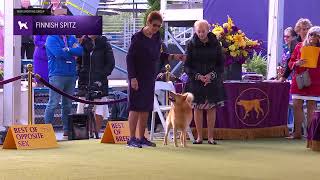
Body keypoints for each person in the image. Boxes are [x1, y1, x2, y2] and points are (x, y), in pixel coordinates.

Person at [126, 11, 185, 148]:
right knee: (135, 107)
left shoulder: (157, 37)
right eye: (154, 25)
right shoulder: (137, 38)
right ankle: (131, 139)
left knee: (146, 107)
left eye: (159, 26)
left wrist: (174, 57)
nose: (156, 28)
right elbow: (129, 58)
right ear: (148, 22)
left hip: (150, 77)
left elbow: (159, 55)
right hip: (137, 77)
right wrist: (132, 78)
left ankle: (141, 138)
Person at [184, 20, 225, 145]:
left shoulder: (216, 44)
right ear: (195, 31)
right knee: (198, 108)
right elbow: (187, 66)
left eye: (203, 31)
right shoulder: (190, 44)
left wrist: (210, 76)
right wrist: (198, 76)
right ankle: (199, 137)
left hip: (212, 81)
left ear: (208, 30)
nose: (201, 34)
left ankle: (211, 137)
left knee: (211, 108)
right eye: (198, 31)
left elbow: (221, 65)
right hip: (196, 82)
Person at [44, 34, 83, 136]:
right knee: (53, 103)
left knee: (67, 105)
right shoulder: (51, 38)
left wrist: (66, 49)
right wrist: (71, 52)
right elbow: (57, 53)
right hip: (57, 74)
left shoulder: (72, 38)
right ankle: (47, 130)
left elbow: (80, 51)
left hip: (71, 75)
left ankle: (67, 130)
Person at [76, 35, 115, 134]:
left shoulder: (105, 45)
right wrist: (80, 71)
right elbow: (78, 61)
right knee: (81, 106)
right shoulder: (82, 44)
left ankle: (95, 132)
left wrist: (102, 75)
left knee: (100, 106)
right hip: (84, 81)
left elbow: (110, 63)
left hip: (100, 82)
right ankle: (82, 133)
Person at [287, 26, 320, 139]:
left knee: (311, 108)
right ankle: (297, 133)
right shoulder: (299, 46)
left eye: (317, 35)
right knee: (297, 106)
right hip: (299, 80)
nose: (313, 37)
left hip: (315, 82)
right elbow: (291, 62)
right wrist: (297, 63)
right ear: (308, 35)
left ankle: (310, 135)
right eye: (312, 34)